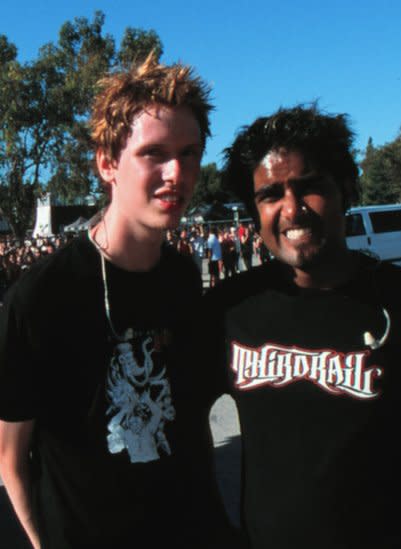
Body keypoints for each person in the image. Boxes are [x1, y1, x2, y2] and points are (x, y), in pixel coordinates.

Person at [204, 105, 401, 549]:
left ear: (346, 190)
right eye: (271, 194)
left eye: (309, 187)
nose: (292, 209)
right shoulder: (230, 310)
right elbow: (180, 436)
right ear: (254, 211)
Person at [0, 55, 233, 548]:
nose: (177, 172)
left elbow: (194, 427)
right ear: (107, 163)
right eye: (155, 153)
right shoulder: (41, 297)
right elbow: (11, 460)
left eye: (189, 153)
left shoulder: (184, 280)